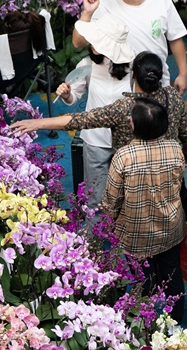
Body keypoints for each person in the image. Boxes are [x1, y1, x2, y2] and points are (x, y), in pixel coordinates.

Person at [11, 52, 187, 165]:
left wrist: (37, 123)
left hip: (132, 179)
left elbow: (79, 120)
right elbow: (185, 131)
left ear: (134, 75)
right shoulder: (173, 96)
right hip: (166, 172)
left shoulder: (124, 107)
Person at [102, 99, 187, 322]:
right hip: (170, 228)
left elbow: (112, 199)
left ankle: (146, 323)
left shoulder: (124, 156)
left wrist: (110, 222)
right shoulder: (175, 148)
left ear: (135, 126)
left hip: (135, 234)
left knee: (143, 279)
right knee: (172, 275)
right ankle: (175, 322)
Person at [74, 0, 187, 92]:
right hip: (122, 88)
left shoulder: (161, 0)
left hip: (157, 81)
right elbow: (78, 43)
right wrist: (87, 13)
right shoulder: (104, 6)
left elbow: (175, 38)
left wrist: (183, 73)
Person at [54, 15, 135, 206]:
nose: (92, 45)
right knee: (95, 199)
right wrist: (66, 94)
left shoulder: (133, 68)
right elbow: (74, 98)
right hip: (95, 141)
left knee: (127, 199)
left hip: (125, 143)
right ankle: (93, 236)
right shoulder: (86, 65)